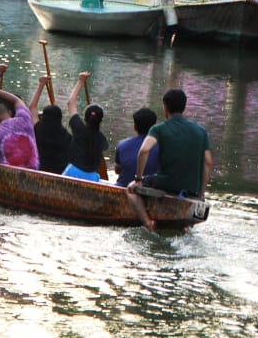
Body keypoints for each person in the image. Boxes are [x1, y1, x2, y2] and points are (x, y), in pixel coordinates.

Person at [127, 89, 212, 231]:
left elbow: (144, 151)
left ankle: (148, 223)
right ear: (184, 107)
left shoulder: (159, 129)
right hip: (192, 188)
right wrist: (201, 193)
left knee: (130, 189)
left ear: (165, 106)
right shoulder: (201, 131)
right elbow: (208, 162)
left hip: (165, 183)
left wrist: (138, 179)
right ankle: (184, 227)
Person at [61, 72, 107, 181]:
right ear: (101, 120)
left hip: (72, 172)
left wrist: (81, 81)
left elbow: (70, 103)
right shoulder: (102, 139)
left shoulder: (78, 128)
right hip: (92, 177)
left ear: (85, 118)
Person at [28, 75, 71, 174]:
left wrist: (41, 84)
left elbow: (32, 107)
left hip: (37, 171)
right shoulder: (67, 137)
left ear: (43, 117)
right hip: (59, 175)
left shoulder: (37, 129)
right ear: (60, 118)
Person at [113, 107, 159, 188]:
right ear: (154, 127)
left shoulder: (122, 145)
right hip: (149, 190)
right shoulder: (162, 147)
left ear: (135, 127)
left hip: (123, 187)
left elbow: (117, 170)